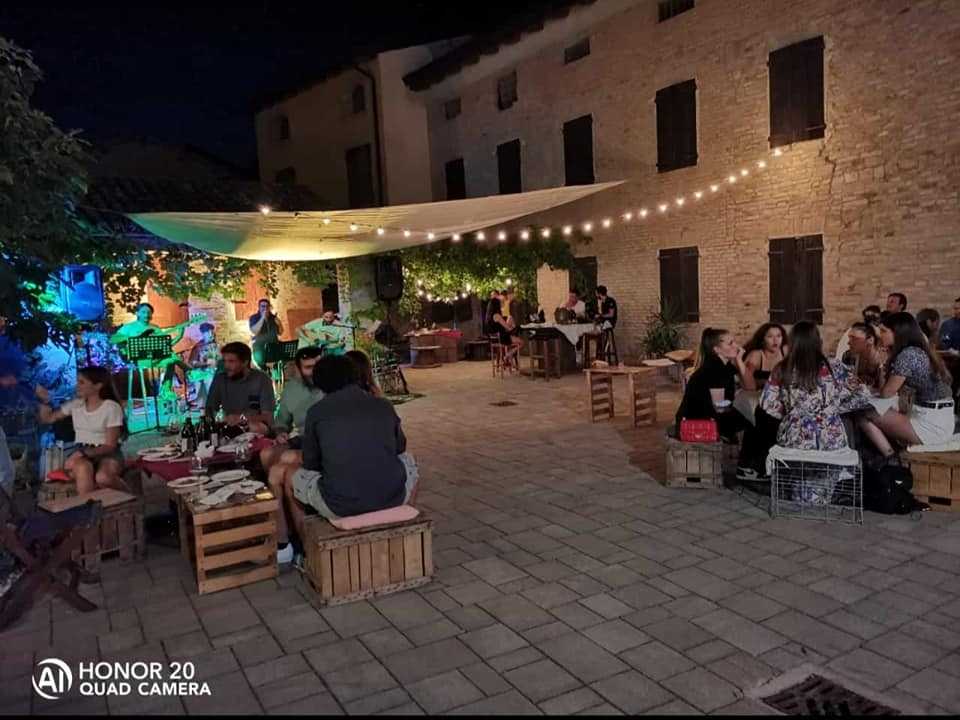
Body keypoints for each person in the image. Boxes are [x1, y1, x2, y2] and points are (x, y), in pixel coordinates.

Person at [273, 356, 419, 559]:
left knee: (290, 476)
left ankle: (306, 549)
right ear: (354, 376)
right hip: (393, 496)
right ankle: (405, 527)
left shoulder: (317, 412)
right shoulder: (383, 405)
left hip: (340, 505)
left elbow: (311, 463)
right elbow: (399, 447)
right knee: (410, 461)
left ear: (320, 382)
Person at [760, 322, 871, 451]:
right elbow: (864, 395)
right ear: (818, 342)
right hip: (831, 440)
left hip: (793, 440)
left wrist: (791, 413)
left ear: (792, 343)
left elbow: (767, 403)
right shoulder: (836, 367)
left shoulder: (782, 368)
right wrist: (834, 408)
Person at [859, 312, 954, 456]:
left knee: (864, 413)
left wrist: (882, 364)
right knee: (879, 408)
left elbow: (886, 393)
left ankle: (891, 458)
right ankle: (892, 455)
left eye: (884, 331)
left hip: (931, 424)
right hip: (936, 415)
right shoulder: (915, 350)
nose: (880, 335)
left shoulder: (908, 355)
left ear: (898, 333)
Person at [35, 366, 126, 495]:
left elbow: (110, 446)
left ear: (98, 386)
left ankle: (131, 497)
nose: (77, 386)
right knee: (83, 469)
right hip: (82, 451)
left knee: (103, 477)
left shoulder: (111, 407)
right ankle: (90, 505)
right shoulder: (76, 404)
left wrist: (83, 453)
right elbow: (48, 419)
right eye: (77, 382)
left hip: (106, 453)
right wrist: (45, 400)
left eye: (82, 382)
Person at [109, 302, 196, 399]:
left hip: (154, 358)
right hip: (137, 359)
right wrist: (131, 338)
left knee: (170, 359)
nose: (146, 314)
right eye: (143, 312)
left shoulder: (155, 328)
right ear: (137, 313)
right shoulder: (129, 327)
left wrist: (180, 334)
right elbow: (113, 339)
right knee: (170, 356)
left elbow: (167, 346)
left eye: (149, 312)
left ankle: (166, 390)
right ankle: (190, 372)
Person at [676, 328, 749, 442]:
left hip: (710, 416)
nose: (736, 346)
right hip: (696, 423)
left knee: (751, 417)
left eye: (734, 342)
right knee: (751, 422)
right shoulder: (714, 369)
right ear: (716, 349)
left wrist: (739, 360)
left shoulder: (725, 366)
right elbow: (719, 408)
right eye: (730, 343)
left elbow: (749, 386)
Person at [261, 346, 324, 476]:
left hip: (325, 441)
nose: (315, 372)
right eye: (308, 367)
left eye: (318, 366)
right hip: (303, 439)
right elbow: (281, 422)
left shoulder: (333, 384)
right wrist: (281, 433)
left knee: (285, 461)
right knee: (266, 454)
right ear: (299, 369)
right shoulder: (292, 389)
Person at [204, 342, 275, 434]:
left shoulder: (261, 379)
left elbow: (268, 417)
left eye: (231, 361)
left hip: (255, 429)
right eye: (225, 361)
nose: (226, 366)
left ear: (245, 362)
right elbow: (210, 410)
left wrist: (241, 418)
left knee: (255, 427)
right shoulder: (220, 379)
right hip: (229, 428)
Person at [740, 323, 787, 391]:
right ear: (762, 340)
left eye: (778, 336)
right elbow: (748, 386)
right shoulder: (756, 355)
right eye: (770, 336)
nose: (775, 340)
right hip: (756, 394)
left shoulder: (785, 351)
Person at [844, 322, 886, 391]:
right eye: (849, 338)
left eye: (854, 338)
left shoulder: (884, 361)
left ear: (870, 340)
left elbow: (885, 391)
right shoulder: (848, 357)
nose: (848, 342)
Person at [249, 299, 284, 369]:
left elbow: (280, 332)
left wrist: (279, 324)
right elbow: (255, 331)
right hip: (260, 349)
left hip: (274, 347)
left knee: (280, 363)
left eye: (267, 306)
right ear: (259, 307)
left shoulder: (273, 318)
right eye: (263, 306)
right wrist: (262, 318)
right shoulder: (254, 317)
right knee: (262, 366)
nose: (265, 308)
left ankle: (276, 372)